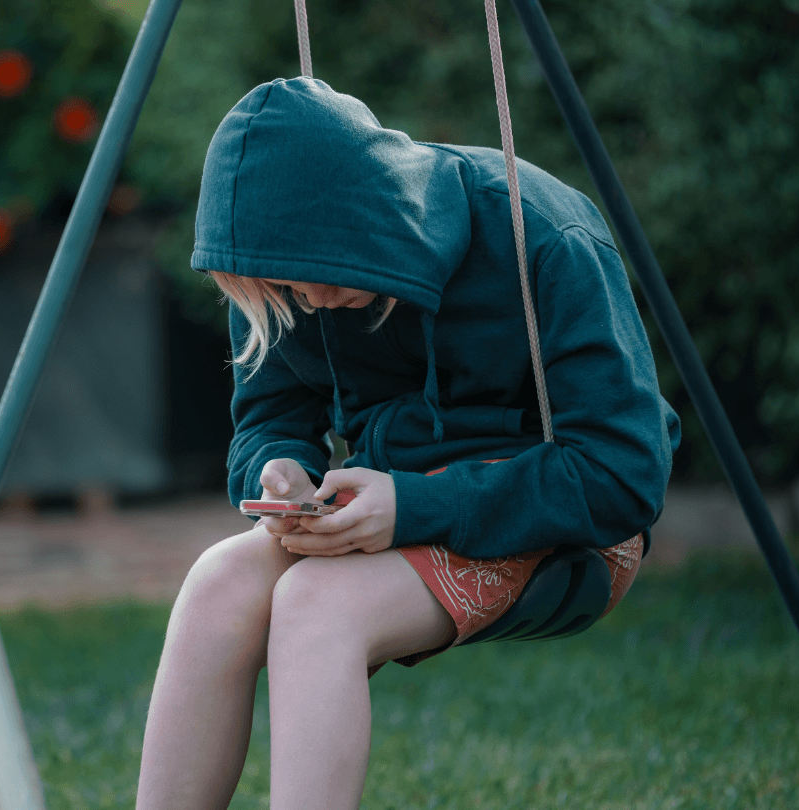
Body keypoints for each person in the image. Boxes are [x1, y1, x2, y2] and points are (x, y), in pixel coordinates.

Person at [135, 77, 680, 810]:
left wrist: (416, 503)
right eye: (285, 291)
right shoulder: (282, 271)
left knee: (316, 605)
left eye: (318, 282)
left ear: (359, 218)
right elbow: (269, 415)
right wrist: (282, 472)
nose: (310, 303)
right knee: (217, 583)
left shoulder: (544, 235)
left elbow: (623, 476)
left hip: (566, 523)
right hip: (397, 500)